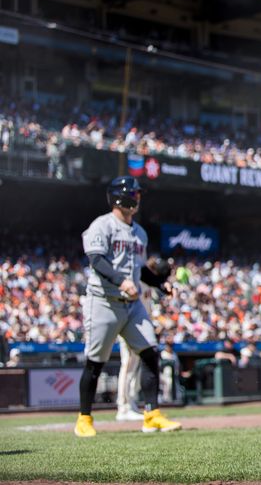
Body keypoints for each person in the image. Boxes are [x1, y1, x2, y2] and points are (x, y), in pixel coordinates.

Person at [74, 176, 181, 437]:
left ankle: (151, 415)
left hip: (131, 304)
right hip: (103, 302)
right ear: (119, 197)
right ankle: (84, 420)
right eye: (133, 193)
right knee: (95, 362)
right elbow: (96, 261)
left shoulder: (139, 232)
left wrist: (159, 284)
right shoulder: (102, 225)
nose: (137, 197)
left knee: (150, 353)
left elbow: (140, 269)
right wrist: (122, 282)